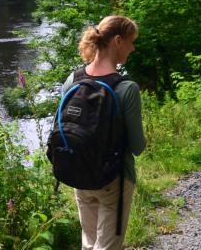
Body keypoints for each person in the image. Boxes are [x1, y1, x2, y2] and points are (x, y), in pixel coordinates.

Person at [60, 15, 146, 250]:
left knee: (89, 244)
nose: (133, 47)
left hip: (80, 174)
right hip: (114, 180)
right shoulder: (126, 88)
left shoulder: (73, 80)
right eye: (131, 41)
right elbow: (137, 147)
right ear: (118, 41)